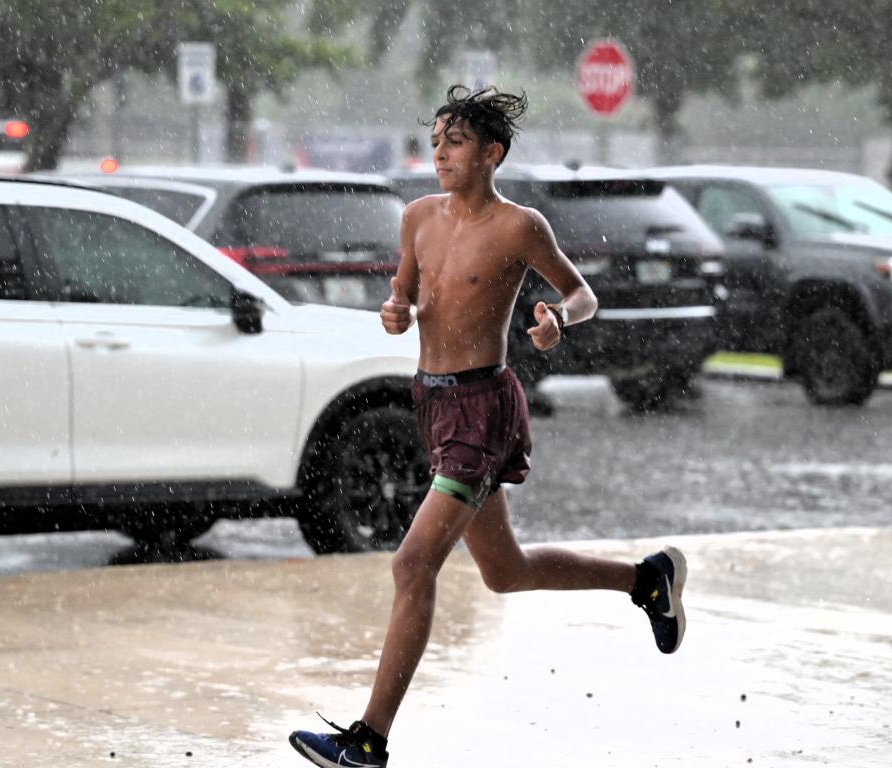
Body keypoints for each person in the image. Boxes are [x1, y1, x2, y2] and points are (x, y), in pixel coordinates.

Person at [289, 85, 687, 768]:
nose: (439, 151)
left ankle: (369, 739)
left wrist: (560, 319)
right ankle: (645, 580)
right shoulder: (416, 216)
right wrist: (394, 310)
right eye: (437, 138)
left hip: (483, 408)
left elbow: (580, 291)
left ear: (491, 153)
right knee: (504, 571)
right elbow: (406, 293)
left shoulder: (519, 227)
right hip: (432, 402)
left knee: (413, 563)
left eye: (456, 141)